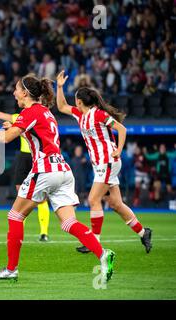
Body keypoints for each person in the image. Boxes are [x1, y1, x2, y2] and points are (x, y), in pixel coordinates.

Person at [0, 74, 115, 283]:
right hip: (63, 170)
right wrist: (15, 129)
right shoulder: (45, 112)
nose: (14, 93)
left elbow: (6, 139)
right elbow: (39, 135)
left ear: (26, 93)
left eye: (17, 89)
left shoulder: (29, 111)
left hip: (45, 169)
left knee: (15, 215)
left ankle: (11, 269)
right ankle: (103, 254)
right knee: (68, 222)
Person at [56, 70, 152, 254]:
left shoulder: (98, 115)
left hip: (108, 160)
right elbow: (61, 106)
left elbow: (121, 129)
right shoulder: (80, 114)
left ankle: (94, 243)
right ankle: (143, 232)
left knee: (93, 199)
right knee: (116, 204)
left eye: (75, 99)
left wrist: (119, 149)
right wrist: (59, 87)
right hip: (101, 163)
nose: (74, 102)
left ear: (80, 101)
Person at [0, 106, 51, 241]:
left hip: (36, 157)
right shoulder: (19, 117)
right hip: (23, 158)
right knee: (21, 194)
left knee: (41, 197)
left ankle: (44, 232)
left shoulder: (38, 116)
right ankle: (20, 231)